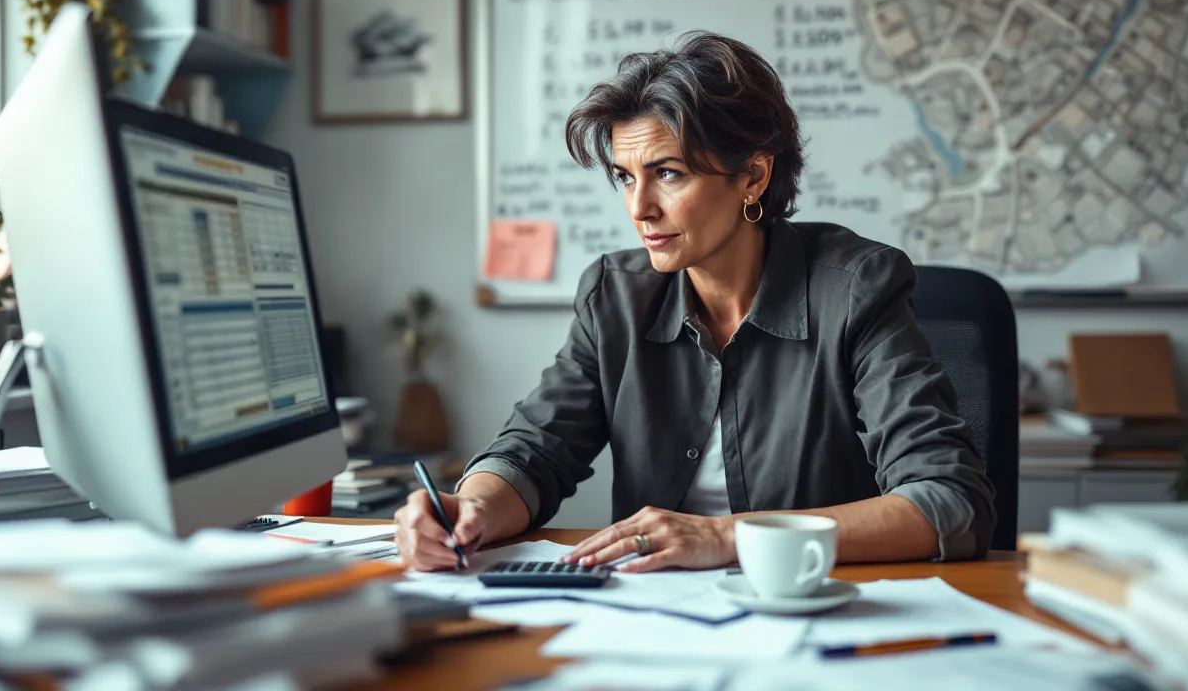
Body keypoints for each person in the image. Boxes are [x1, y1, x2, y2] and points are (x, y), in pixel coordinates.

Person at [395, 31, 995, 573]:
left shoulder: (856, 287)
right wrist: (468, 509)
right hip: (657, 620)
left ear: (753, 177)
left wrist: (724, 536)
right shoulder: (616, 295)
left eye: (670, 174)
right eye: (626, 177)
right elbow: (534, 451)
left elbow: (949, 501)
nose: (639, 208)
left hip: (815, 614)